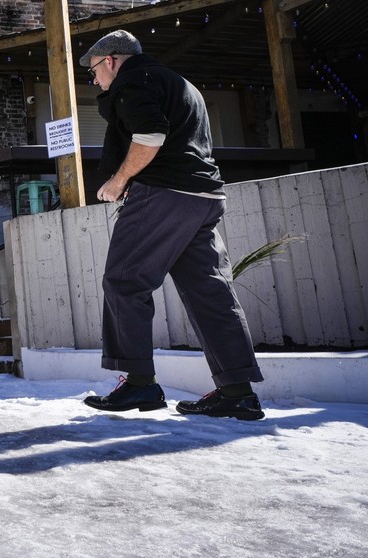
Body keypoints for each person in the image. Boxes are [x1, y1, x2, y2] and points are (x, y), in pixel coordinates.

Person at [78, 30, 265, 420]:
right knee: (209, 292)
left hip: (163, 193)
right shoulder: (182, 85)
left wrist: (117, 181)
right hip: (205, 196)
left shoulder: (134, 80)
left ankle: (139, 384)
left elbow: (150, 134)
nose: (94, 80)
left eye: (94, 70)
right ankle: (237, 391)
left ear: (111, 60)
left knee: (125, 280)